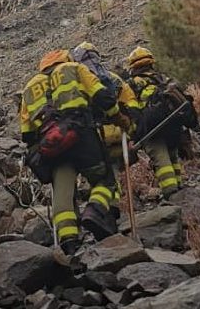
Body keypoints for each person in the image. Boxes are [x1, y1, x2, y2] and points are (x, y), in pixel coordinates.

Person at [20, 49, 127, 256]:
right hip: (82, 136)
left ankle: (69, 242)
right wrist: (118, 118)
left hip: (52, 145)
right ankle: (95, 211)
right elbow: (103, 98)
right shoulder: (75, 68)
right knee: (105, 181)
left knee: (63, 193)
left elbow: (26, 133)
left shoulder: (29, 87)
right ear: (65, 59)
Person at [71, 42, 141, 219]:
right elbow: (132, 103)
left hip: (92, 139)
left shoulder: (79, 79)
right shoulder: (113, 78)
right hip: (117, 134)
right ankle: (111, 210)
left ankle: (101, 211)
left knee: (102, 178)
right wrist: (130, 126)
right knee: (113, 175)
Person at [125, 47, 190, 196]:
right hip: (173, 125)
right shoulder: (163, 79)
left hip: (151, 130)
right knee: (173, 157)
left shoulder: (132, 84)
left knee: (162, 161)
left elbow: (132, 111)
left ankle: (171, 193)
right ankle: (181, 188)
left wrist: (134, 134)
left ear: (133, 66)